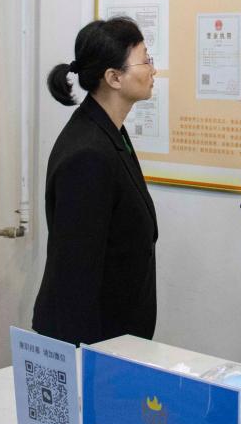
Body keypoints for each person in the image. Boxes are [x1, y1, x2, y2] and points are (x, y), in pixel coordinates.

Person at [32, 17, 159, 346]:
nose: (153, 70)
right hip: (90, 342)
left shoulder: (109, 132)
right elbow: (75, 272)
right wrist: (87, 359)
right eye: (145, 60)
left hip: (116, 335)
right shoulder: (88, 154)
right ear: (114, 77)